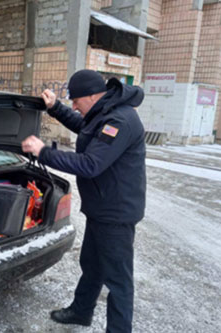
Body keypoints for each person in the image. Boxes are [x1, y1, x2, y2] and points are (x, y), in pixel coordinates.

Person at [22, 69, 146, 332]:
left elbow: (90, 164)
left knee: (118, 280)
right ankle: (81, 311)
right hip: (102, 207)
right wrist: (55, 108)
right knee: (93, 264)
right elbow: (84, 127)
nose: (74, 106)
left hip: (116, 213)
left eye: (76, 101)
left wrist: (43, 152)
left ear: (92, 95)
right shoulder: (104, 112)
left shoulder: (119, 120)